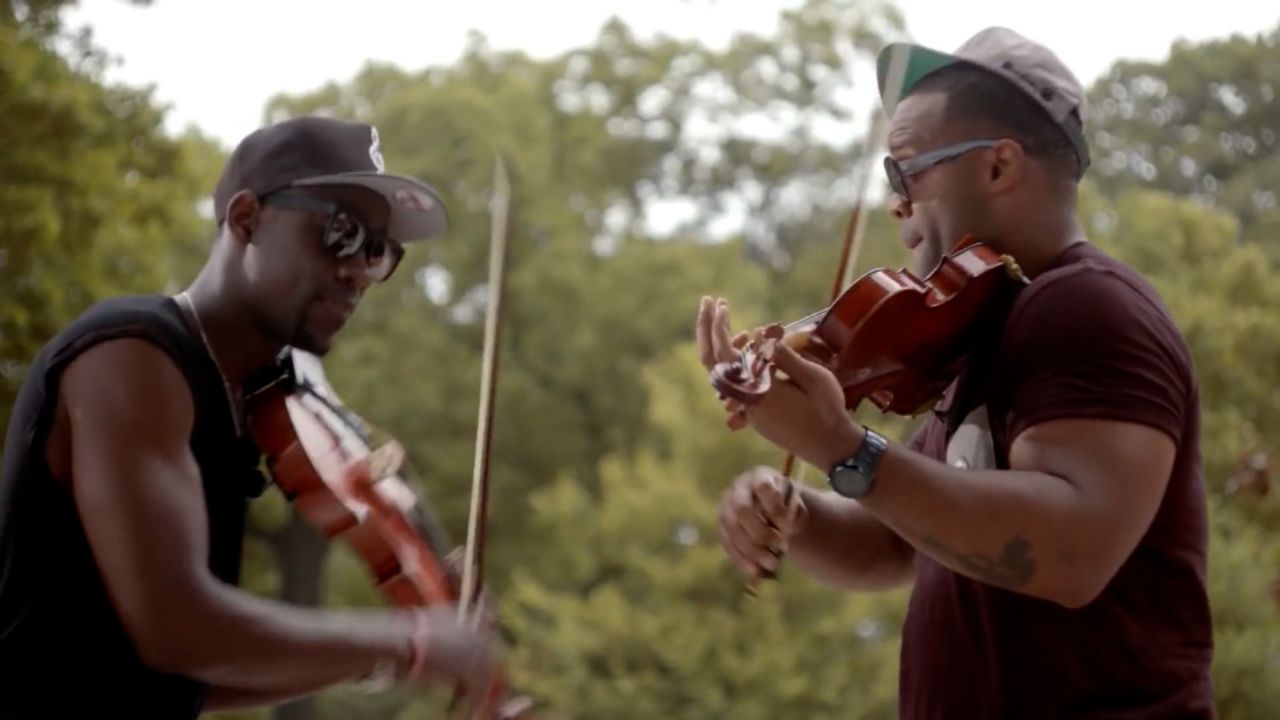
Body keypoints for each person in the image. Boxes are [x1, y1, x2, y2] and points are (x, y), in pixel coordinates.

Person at [698, 27, 1214, 719]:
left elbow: (1071, 555)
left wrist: (840, 447)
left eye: (906, 170)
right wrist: (793, 513)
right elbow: (896, 541)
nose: (895, 202)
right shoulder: (988, 327)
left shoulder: (1085, 307)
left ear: (999, 166)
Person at [0, 116, 501, 717]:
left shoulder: (231, 395)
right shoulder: (132, 355)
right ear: (246, 218)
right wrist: (408, 637)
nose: (359, 272)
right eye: (340, 232)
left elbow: (189, 677)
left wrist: (392, 655)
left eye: (379, 251)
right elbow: (178, 627)